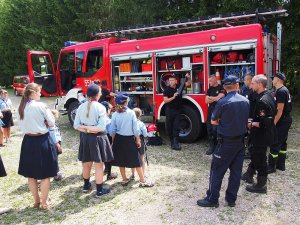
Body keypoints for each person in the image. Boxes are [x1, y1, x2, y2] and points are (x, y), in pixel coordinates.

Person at [197, 75, 249, 208]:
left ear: (224, 88)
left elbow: (214, 121)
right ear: (237, 86)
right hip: (240, 143)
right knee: (236, 173)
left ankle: (212, 199)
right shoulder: (245, 101)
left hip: (225, 143)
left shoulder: (222, 102)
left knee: (217, 171)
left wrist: (224, 122)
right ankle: (231, 200)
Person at [18, 83, 58, 210]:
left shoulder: (21, 106)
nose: (41, 93)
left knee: (32, 174)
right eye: (39, 91)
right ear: (33, 92)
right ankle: (44, 203)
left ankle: (36, 201)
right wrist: (45, 123)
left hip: (28, 141)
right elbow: (52, 123)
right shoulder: (41, 105)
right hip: (41, 140)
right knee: (45, 174)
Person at [74, 84, 113, 197]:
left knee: (86, 164)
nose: (101, 93)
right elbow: (101, 128)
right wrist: (92, 129)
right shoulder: (100, 107)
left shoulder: (80, 106)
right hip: (98, 138)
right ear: (97, 95)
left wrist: (86, 129)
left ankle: (86, 186)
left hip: (85, 137)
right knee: (99, 165)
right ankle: (99, 190)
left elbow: (76, 125)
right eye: (100, 92)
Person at [110, 93, 153, 187]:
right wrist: (138, 140)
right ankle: (142, 181)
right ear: (126, 102)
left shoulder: (114, 115)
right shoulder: (131, 113)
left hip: (118, 139)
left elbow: (112, 130)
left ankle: (124, 179)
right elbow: (135, 129)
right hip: (129, 139)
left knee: (121, 161)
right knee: (136, 160)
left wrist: (113, 141)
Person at [243, 75, 277, 194]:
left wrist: (252, 124)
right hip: (262, 135)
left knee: (260, 159)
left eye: (252, 83)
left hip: (261, 135)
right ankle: (249, 174)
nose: (251, 85)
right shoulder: (269, 95)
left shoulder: (263, 101)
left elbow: (265, 122)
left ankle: (261, 185)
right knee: (256, 154)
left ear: (259, 84)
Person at [268, 73, 292, 173]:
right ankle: (281, 165)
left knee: (275, 142)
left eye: (273, 79)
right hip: (286, 119)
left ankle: (271, 167)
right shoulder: (284, 89)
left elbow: (280, 110)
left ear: (278, 80)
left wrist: (273, 123)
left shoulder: (281, 91)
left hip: (282, 120)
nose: (272, 80)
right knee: (283, 143)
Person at [163, 73, 191, 150]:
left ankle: (175, 143)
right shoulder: (166, 90)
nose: (171, 82)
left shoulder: (179, 87)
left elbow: (188, 83)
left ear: (176, 81)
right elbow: (165, 100)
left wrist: (188, 78)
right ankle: (172, 141)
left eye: (172, 80)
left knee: (176, 126)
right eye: (169, 80)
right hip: (169, 111)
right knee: (169, 127)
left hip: (178, 110)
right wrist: (173, 97)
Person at [205, 74, 226, 155]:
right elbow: (206, 101)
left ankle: (218, 147)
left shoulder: (221, 88)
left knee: (216, 130)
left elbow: (220, 98)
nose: (209, 82)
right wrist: (215, 98)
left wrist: (211, 98)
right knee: (209, 129)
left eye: (210, 81)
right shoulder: (209, 89)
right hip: (210, 111)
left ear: (215, 80)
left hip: (218, 112)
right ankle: (211, 147)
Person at [100, 101, 118, 180]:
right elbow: (111, 133)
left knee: (102, 155)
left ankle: (106, 169)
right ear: (106, 109)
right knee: (108, 155)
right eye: (110, 109)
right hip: (107, 138)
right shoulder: (108, 120)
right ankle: (109, 174)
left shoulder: (99, 118)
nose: (110, 111)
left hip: (99, 138)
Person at [130, 107, 148, 180]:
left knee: (132, 158)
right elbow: (145, 134)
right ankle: (142, 174)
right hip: (140, 139)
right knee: (142, 159)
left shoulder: (130, 123)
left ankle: (133, 174)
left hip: (131, 140)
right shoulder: (141, 123)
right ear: (140, 115)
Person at [48, 109, 63, 181]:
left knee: (53, 158)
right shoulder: (51, 125)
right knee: (54, 159)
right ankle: (56, 174)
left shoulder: (48, 123)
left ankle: (53, 173)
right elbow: (53, 134)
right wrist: (57, 144)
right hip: (54, 143)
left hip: (52, 142)